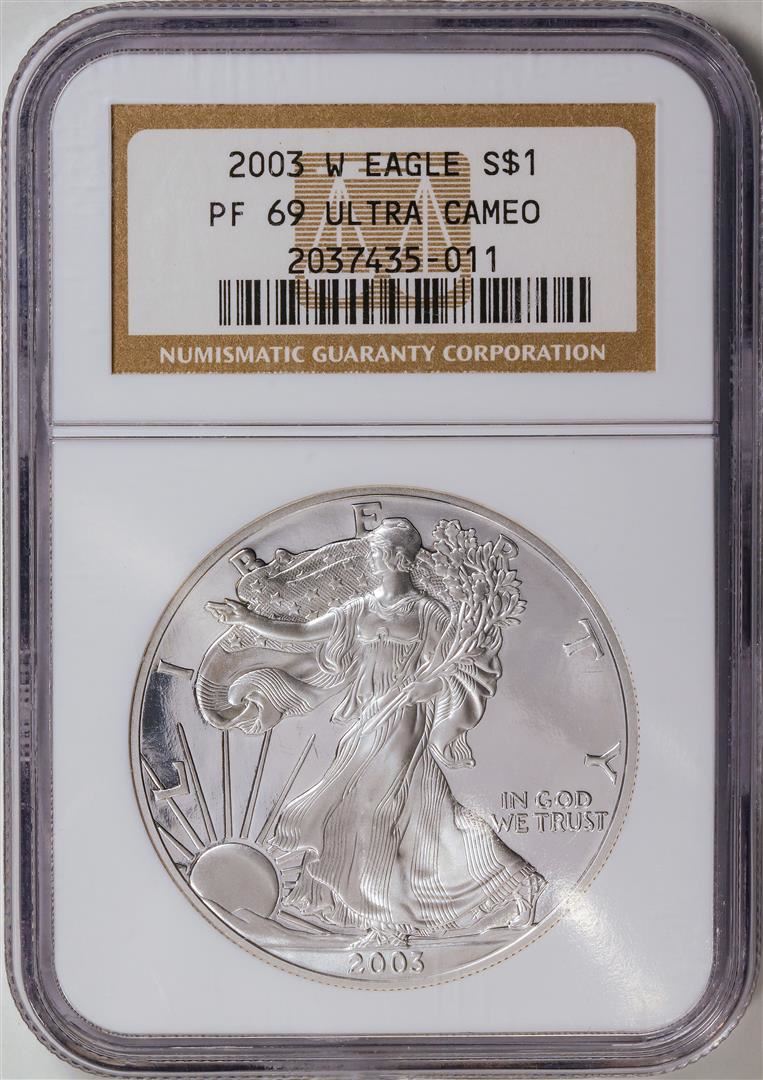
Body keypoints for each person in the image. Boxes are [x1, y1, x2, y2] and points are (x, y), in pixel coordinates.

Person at [208, 517, 545, 944]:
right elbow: (304, 632)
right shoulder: (360, 608)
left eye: (379, 550)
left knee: (370, 806)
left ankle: (389, 920)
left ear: (398, 557)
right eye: (373, 550)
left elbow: (457, 667)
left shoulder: (428, 613)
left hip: (405, 717)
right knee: (424, 814)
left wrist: (427, 686)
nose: (372, 557)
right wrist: (248, 619)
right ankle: (514, 882)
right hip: (369, 716)